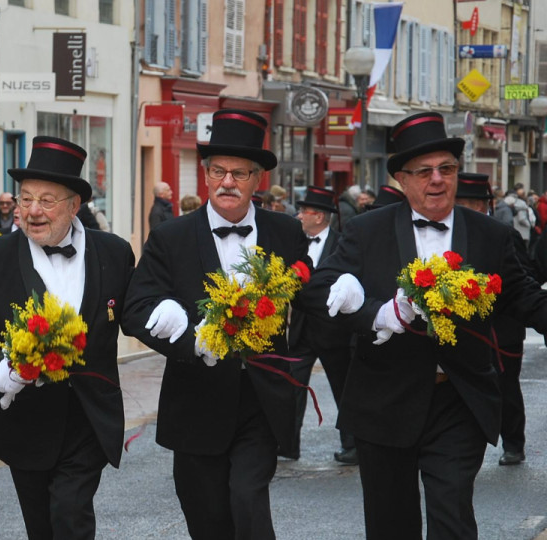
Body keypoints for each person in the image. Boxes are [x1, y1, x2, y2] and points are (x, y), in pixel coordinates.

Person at [302, 112, 547, 539]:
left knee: (453, 516)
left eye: (447, 169)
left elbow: (524, 297)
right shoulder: (365, 230)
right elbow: (320, 289)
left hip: (459, 397)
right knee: (390, 524)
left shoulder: (489, 234)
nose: (437, 180)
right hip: (384, 400)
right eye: (424, 171)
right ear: (401, 178)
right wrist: (376, 313)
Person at [0, 135, 135, 539]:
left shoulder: (114, 253)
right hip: (25, 418)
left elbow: (137, 311)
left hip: (89, 415)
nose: (33, 211)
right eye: (26, 199)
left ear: (74, 205)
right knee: (41, 526)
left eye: (47, 200)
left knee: (71, 514)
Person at [122, 109, 310, 539]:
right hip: (196, 398)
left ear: (257, 179)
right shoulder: (171, 236)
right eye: (220, 171)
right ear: (205, 176)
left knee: (247, 497)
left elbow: (309, 296)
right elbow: (136, 308)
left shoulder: (285, 232)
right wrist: (185, 334)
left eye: (240, 173)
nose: (229, 182)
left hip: (261, 396)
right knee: (206, 516)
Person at [455, 172, 532, 467]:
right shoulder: (453, 234)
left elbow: (527, 277)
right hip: (466, 327)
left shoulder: (503, 233)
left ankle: (513, 443)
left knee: (505, 386)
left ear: (485, 205)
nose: (469, 209)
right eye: (462, 203)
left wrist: (492, 289)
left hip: (502, 327)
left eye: (474, 203)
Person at [287, 186, 355, 464]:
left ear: (320, 217)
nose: (300, 215)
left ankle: (352, 445)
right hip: (301, 329)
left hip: (333, 330)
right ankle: (287, 444)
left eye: (305, 211)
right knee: (291, 385)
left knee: (343, 388)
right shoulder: (294, 243)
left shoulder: (343, 244)